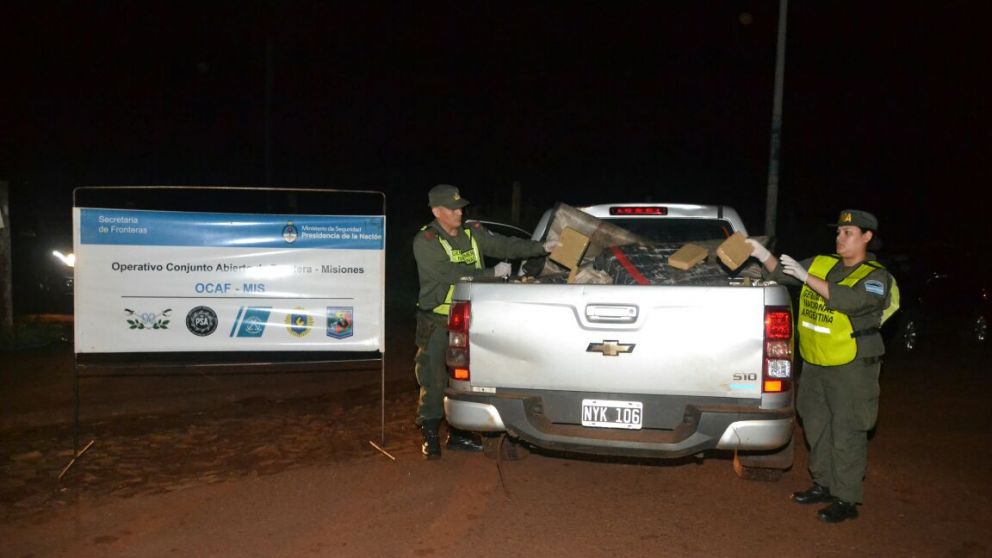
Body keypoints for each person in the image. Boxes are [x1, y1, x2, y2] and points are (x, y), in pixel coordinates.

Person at [746, 209, 898, 523]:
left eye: (848, 233)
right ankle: (824, 484)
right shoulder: (821, 263)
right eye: (839, 233)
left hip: (852, 365)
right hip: (815, 363)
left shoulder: (876, 276)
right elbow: (782, 274)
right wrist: (762, 255)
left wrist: (806, 279)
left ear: (867, 237)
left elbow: (851, 301)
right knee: (816, 425)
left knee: (848, 430)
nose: (840, 238)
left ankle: (846, 498)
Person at [413, 184, 557, 459]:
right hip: (438, 321)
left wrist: (539, 248)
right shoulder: (426, 241)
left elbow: (503, 244)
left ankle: (459, 432)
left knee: (468, 379)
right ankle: (430, 434)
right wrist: (491, 272)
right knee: (433, 377)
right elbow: (448, 273)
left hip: (470, 319)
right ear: (437, 211)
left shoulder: (471, 231)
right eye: (453, 208)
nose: (459, 212)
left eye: (460, 207)